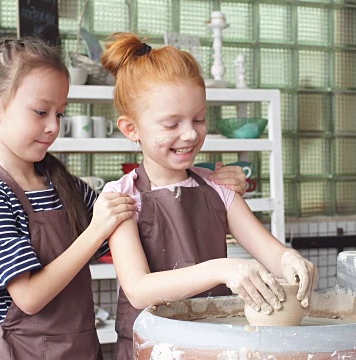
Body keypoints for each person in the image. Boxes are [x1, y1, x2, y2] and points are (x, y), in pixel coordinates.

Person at [0, 37, 248, 360]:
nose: (53, 127)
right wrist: (96, 230)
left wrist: (217, 183)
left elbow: (138, 215)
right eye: (41, 112)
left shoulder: (62, 185)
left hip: (80, 351)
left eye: (60, 113)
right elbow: (28, 296)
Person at [99, 32, 319, 359]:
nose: (189, 134)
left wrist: (290, 260)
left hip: (214, 347)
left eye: (199, 119)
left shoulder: (218, 188)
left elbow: (271, 253)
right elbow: (139, 290)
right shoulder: (122, 196)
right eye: (171, 124)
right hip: (150, 349)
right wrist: (222, 269)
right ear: (131, 129)